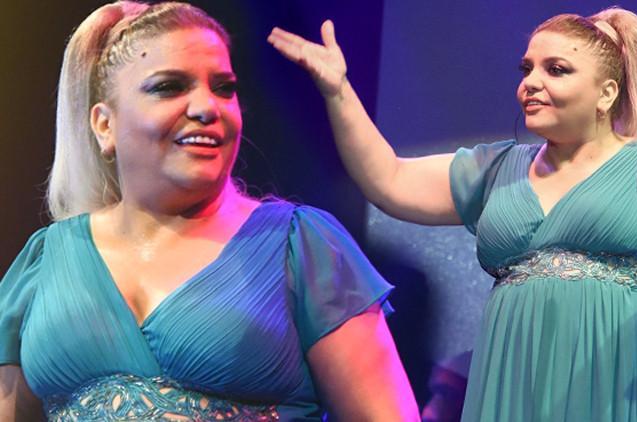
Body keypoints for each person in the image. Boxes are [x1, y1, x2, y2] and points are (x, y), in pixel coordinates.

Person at [268, 6, 637, 421]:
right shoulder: (497, 169)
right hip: (510, 388)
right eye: (527, 68)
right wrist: (337, 90)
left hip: (609, 390)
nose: (530, 83)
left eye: (556, 69)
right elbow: (389, 179)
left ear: (606, 94)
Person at [0, 2, 421, 421]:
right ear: (104, 125)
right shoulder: (45, 261)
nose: (207, 107)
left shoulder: (302, 247)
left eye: (223, 88)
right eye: (169, 87)